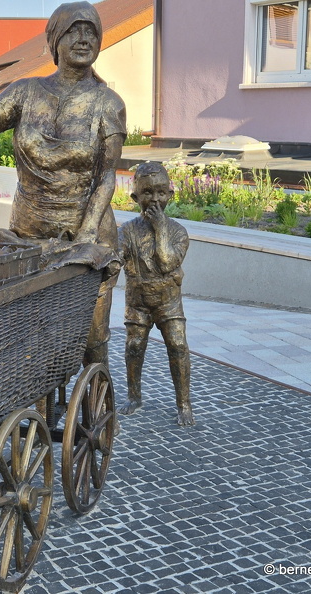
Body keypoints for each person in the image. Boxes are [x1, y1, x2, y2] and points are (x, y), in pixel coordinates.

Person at [0, 1, 125, 366]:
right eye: (74, 31)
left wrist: (86, 236)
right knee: (31, 332)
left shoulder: (108, 103)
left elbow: (106, 177)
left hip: (86, 234)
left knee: (92, 337)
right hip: (28, 231)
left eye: (92, 32)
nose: (84, 39)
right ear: (55, 41)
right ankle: (40, 408)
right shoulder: (26, 91)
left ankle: (98, 409)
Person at [118, 162, 194, 426]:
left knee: (178, 345)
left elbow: (167, 263)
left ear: (170, 195)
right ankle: (134, 395)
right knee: (134, 346)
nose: (155, 200)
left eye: (161, 193)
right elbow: (115, 258)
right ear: (135, 197)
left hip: (168, 302)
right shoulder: (126, 231)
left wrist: (160, 228)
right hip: (138, 302)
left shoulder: (178, 233)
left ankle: (184, 403)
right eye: (148, 193)